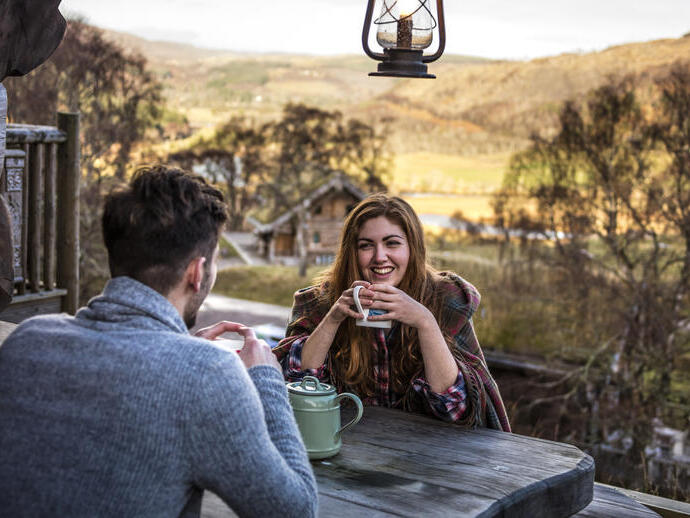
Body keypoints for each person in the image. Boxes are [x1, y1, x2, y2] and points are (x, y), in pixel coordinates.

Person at [0, 166, 318, 517]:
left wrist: (183, 351)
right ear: (197, 273)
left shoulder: (28, 341)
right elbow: (295, 511)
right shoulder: (207, 377)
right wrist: (266, 379)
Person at [273, 194, 510, 431]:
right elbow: (299, 386)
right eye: (366, 245)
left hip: (430, 453)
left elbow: (454, 408)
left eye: (392, 243)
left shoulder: (444, 300)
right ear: (351, 252)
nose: (379, 257)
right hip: (344, 444)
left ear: (412, 248)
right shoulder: (320, 302)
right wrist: (333, 318)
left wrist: (424, 321)